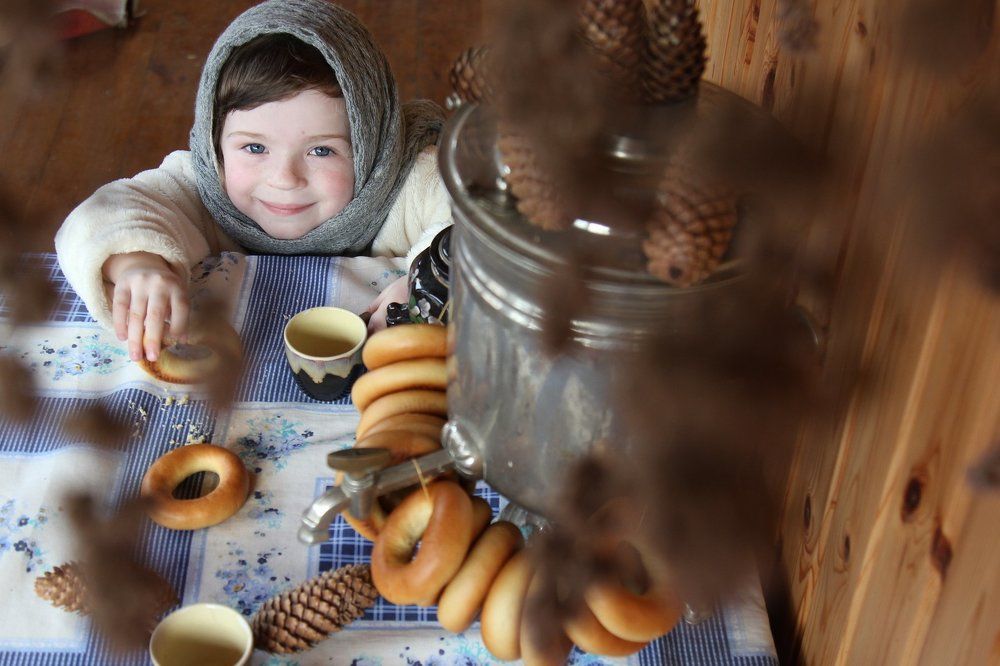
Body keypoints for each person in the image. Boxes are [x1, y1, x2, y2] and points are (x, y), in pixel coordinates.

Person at [55, 0, 451, 363]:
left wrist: (427, 283)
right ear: (216, 143)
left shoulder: (408, 177)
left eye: (321, 151)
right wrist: (137, 264)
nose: (284, 179)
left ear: (372, 144)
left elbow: (474, 223)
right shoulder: (205, 186)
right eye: (255, 148)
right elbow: (101, 217)